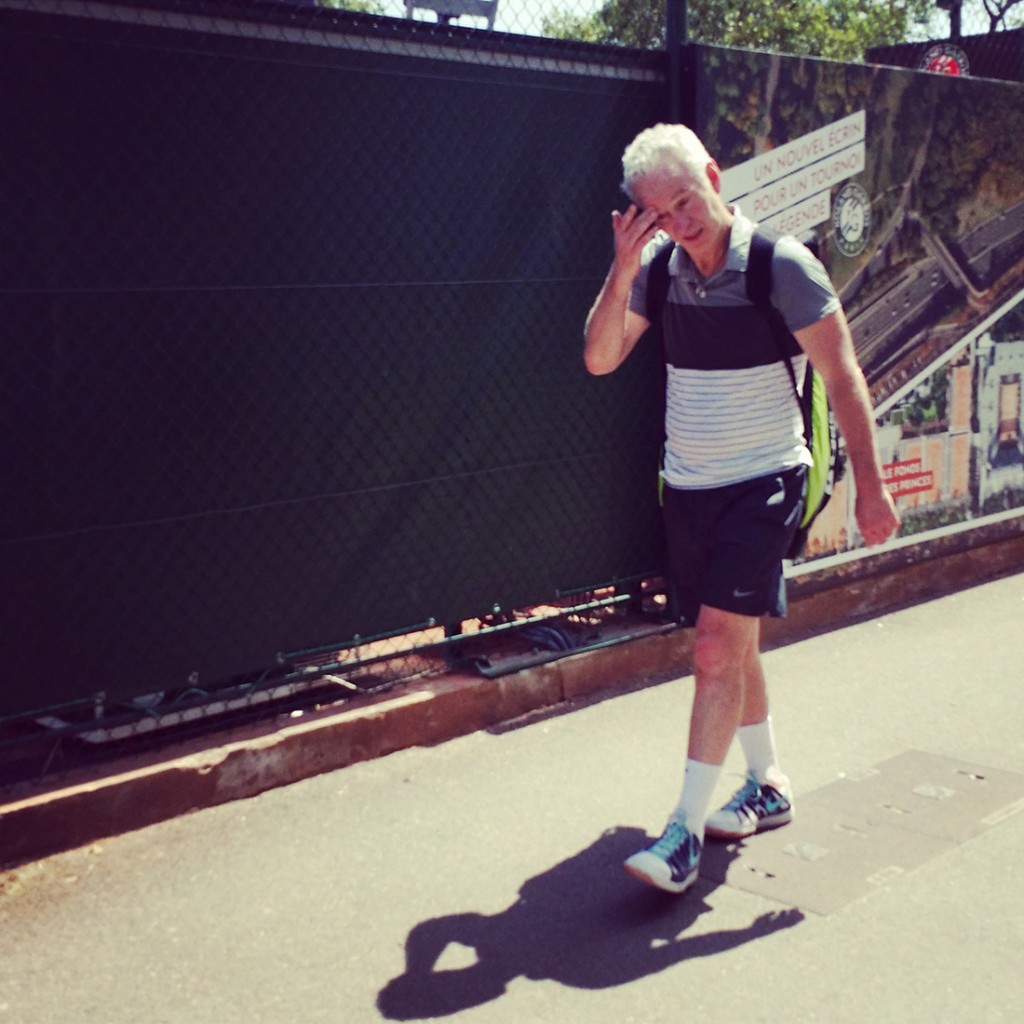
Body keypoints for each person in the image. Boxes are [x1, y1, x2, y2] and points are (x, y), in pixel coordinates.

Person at [583, 123, 900, 895]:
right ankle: (768, 784)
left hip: (765, 484)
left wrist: (871, 484)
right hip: (690, 489)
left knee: (714, 649)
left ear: (715, 178)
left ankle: (683, 835)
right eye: (659, 214)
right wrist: (622, 270)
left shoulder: (779, 266)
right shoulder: (657, 273)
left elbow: (842, 374)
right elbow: (599, 357)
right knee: (735, 639)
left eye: (685, 201)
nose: (679, 222)